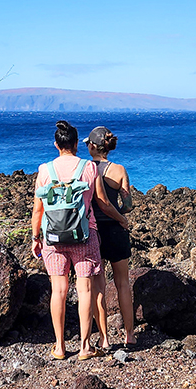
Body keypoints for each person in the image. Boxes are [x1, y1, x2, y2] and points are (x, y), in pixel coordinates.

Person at [31, 121, 128, 361]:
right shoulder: (88, 168)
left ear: (56, 145)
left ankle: (60, 346)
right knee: (85, 289)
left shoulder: (44, 170)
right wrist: (122, 220)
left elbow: (37, 210)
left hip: (52, 237)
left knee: (59, 290)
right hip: (85, 235)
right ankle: (85, 347)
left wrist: (36, 238)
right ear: (76, 144)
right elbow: (103, 202)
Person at [84, 126, 136, 350]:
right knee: (123, 284)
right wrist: (120, 216)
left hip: (91, 231)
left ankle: (104, 338)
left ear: (92, 146)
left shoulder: (84, 169)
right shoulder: (119, 170)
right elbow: (128, 205)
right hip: (115, 230)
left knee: (98, 287)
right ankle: (130, 335)